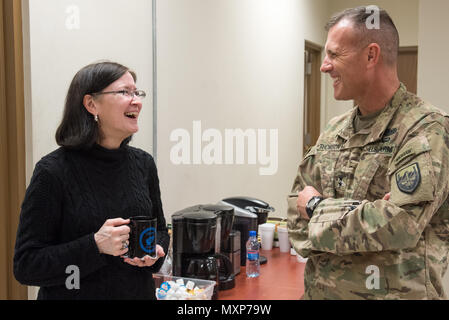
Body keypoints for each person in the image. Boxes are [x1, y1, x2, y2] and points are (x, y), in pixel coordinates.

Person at [287, 6, 449, 300]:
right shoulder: (334, 130)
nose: (324, 66)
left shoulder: (426, 129)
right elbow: (294, 220)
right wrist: (367, 215)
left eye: (335, 55)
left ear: (371, 56)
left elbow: (399, 225)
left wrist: (315, 209)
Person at [14, 61, 170, 300]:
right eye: (124, 92)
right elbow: (27, 266)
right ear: (91, 104)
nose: (136, 100)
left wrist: (154, 252)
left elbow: (160, 230)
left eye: (137, 92)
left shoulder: (143, 164)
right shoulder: (53, 171)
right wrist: (95, 245)